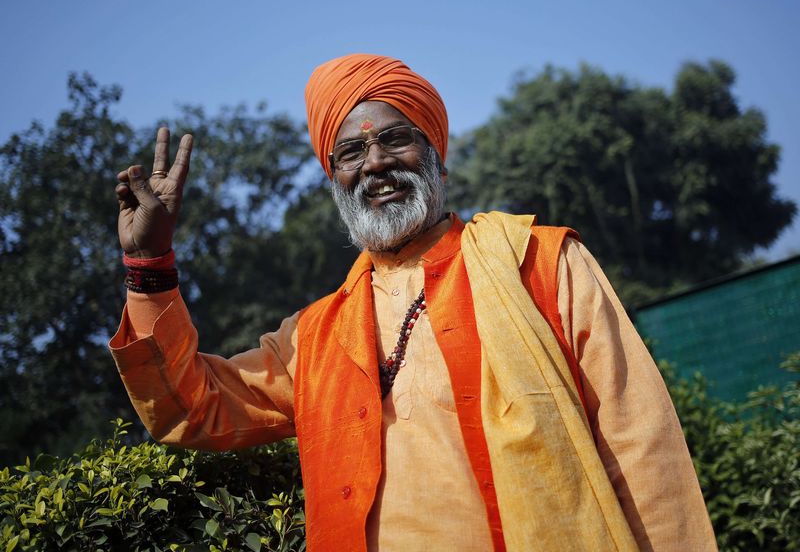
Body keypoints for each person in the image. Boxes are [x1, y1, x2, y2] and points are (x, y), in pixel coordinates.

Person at [110, 54, 717, 551]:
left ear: (437, 160)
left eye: (396, 141)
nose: (375, 163)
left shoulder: (540, 264)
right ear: (335, 180)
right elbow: (192, 407)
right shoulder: (316, 336)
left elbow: (643, 450)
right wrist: (149, 268)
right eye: (350, 153)